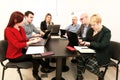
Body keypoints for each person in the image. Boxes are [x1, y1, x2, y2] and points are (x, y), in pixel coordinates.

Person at [4, 11, 45, 80]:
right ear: (15, 20)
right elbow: (17, 45)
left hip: (20, 51)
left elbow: (24, 39)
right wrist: (30, 42)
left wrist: (32, 39)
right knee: (34, 57)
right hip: (14, 55)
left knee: (37, 55)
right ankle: (36, 73)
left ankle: (44, 66)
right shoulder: (8, 30)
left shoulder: (21, 28)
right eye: (22, 20)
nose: (23, 21)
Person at [76, 14, 111, 80]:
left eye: (93, 25)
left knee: (90, 66)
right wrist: (82, 40)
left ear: (99, 23)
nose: (91, 27)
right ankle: (79, 76)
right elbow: (87, 38)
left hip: (101, 53)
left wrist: (89, 43)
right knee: (80, 57)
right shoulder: (91, 30)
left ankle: (100, 74)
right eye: (91, 25)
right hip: (91, 51)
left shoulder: (106, 32)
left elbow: (102, 45)